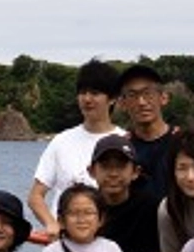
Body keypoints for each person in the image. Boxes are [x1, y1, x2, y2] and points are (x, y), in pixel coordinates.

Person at [27, 60, 126, 240]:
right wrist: (52, 224)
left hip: (110, 243)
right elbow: (36, 196)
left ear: (112, 98)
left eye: (95, 93)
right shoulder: (61, 141)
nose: (87, 99)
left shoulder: (125, 142)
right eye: (82, 92)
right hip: (65, 245)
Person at [88, 133, 161, 252]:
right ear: (92, 171)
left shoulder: (152, 208)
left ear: (135, 172)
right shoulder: (85, 210)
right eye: (105, 166)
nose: (113, 174)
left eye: (121, 166)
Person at [34, 183, 127, 252]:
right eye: (73, 213)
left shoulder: (111, 249)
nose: (81, 219)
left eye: (88, 212)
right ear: (61, 221)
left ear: (101, 219)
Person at [118, 64, 177, 199]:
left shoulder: (182, 143)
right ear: (122, 103)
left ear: (163, 98)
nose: (141, 102)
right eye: (132, 95)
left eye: (148, 94)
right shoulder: (122, 149)